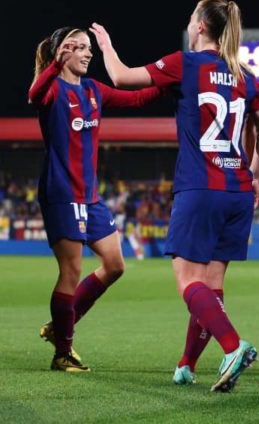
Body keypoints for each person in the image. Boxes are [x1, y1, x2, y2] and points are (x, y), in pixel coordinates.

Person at [89, 0, 259, 392]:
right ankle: (187, 364)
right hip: (238, 190)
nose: (189, 24)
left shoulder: (186, 63)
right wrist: (255, 175)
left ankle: (233, 346)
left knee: (187, 282)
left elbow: (122, 78)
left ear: (202, 27)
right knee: (211, 284)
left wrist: (106, 47)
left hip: (200, 185)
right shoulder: (244, 74)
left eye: (192, 18)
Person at [29, 26, 163, 373]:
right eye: (81, 48)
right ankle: (63, 352)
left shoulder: (92, 90)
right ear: (64, 52)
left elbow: (136, 98)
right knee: (70, 271)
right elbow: (34, 94)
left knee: (115, 264)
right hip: (62, 192)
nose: (88, 54)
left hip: (90, 196)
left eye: (90, 48)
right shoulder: (53, 90)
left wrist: (170, 82)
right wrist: (53, 67)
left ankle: (61, 325)